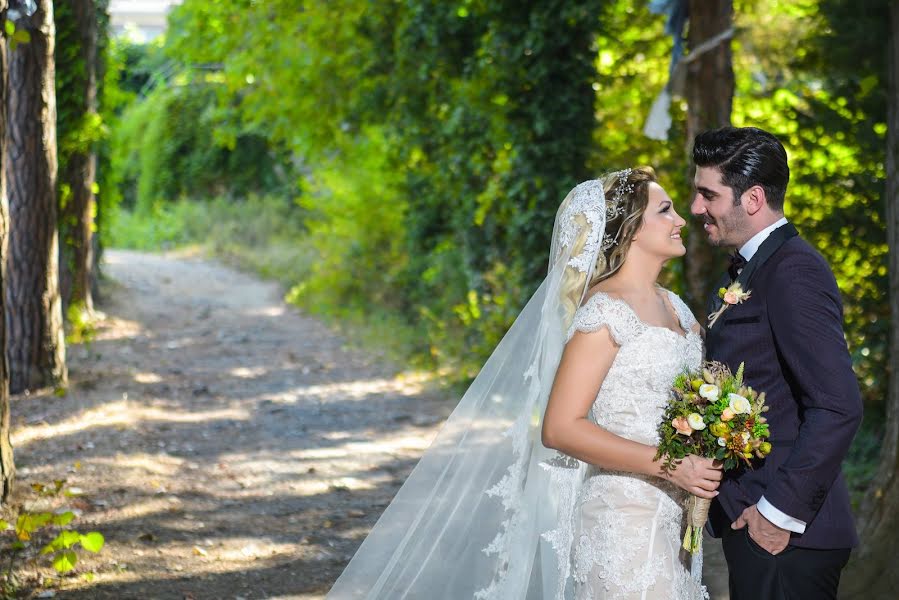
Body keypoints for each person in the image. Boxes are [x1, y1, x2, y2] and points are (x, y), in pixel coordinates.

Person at [327, 168, 718, 599]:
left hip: (674, 516)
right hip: (623, 516)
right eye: (665, 210)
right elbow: (560, 427)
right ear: (629, 228)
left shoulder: (676, 307)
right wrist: (669, 464)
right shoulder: (605, 312)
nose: (682, 219)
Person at [691, 126, 863, 600]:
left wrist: (776, 513)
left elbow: (838, 405)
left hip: (786, 535)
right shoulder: (750, 268)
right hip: (758, 526)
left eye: (708, 194)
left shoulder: (793, 269)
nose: (696, 208)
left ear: (752, 199)